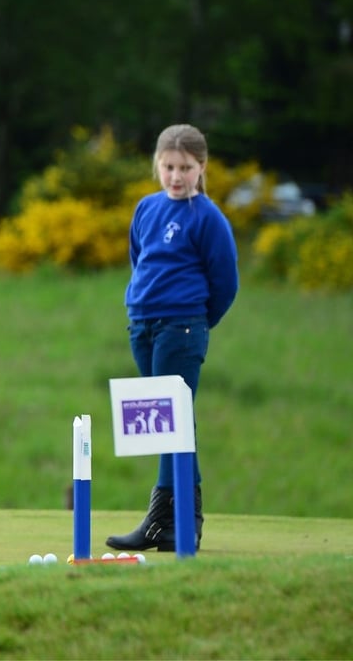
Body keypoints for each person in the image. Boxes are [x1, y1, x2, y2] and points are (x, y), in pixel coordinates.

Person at [107, 123, 238, 553]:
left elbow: (226, 283)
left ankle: (165, 521)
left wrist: (196, 323)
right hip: (142, 325)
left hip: (181, 327)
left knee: (171, 423)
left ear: (201, 167)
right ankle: (180, 523)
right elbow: (138, 260)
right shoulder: (146, 208)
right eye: (168, 167)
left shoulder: (208, 218)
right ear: (157, 165)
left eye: (185, 167)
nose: (176, 176)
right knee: (169, 424)